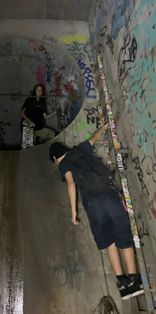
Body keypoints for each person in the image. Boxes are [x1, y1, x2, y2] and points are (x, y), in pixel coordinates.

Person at [49, 123, 144, 300]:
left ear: (56, 159)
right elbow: (94, 137)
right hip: (109, 196)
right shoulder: (81, 150)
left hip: (93, 206)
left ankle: (122, 283)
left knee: (108, 241)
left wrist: (73, 213)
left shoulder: (63, 164)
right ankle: (134, 281)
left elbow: (71, 184)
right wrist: (105, 126)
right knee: (124, 236)